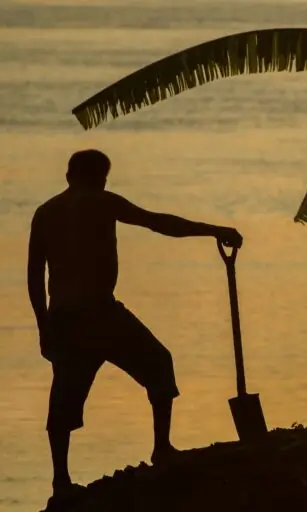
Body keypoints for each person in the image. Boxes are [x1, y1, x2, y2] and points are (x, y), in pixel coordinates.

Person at [26, 149, 243, 502]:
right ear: (100, 178)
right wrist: (213, 230)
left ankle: (60, 481)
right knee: (158, 363)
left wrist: (43, 325)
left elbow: (35, 277)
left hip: (65, 317)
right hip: (99, 313)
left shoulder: (45, 212)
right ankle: (161, 449)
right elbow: (159, 223)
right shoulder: (103, 202)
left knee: (64, 398)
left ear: (69, 176)